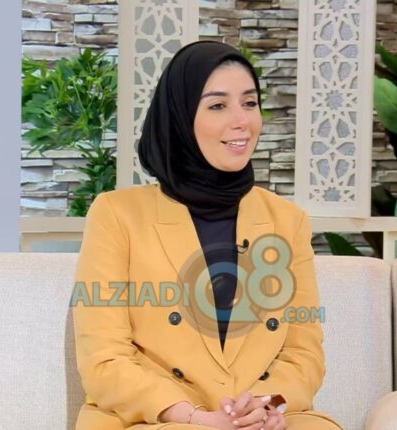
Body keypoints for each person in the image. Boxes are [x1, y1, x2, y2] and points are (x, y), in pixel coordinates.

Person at [72, 41, 343, 430]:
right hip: (155, 420)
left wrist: (265, 405)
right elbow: (104, 358)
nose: (242, 121)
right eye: (218, 105)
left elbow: (305, 355)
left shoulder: (288, 221)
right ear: (180, 117)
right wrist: (195, 417)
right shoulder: (116, 215)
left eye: (249, 103)